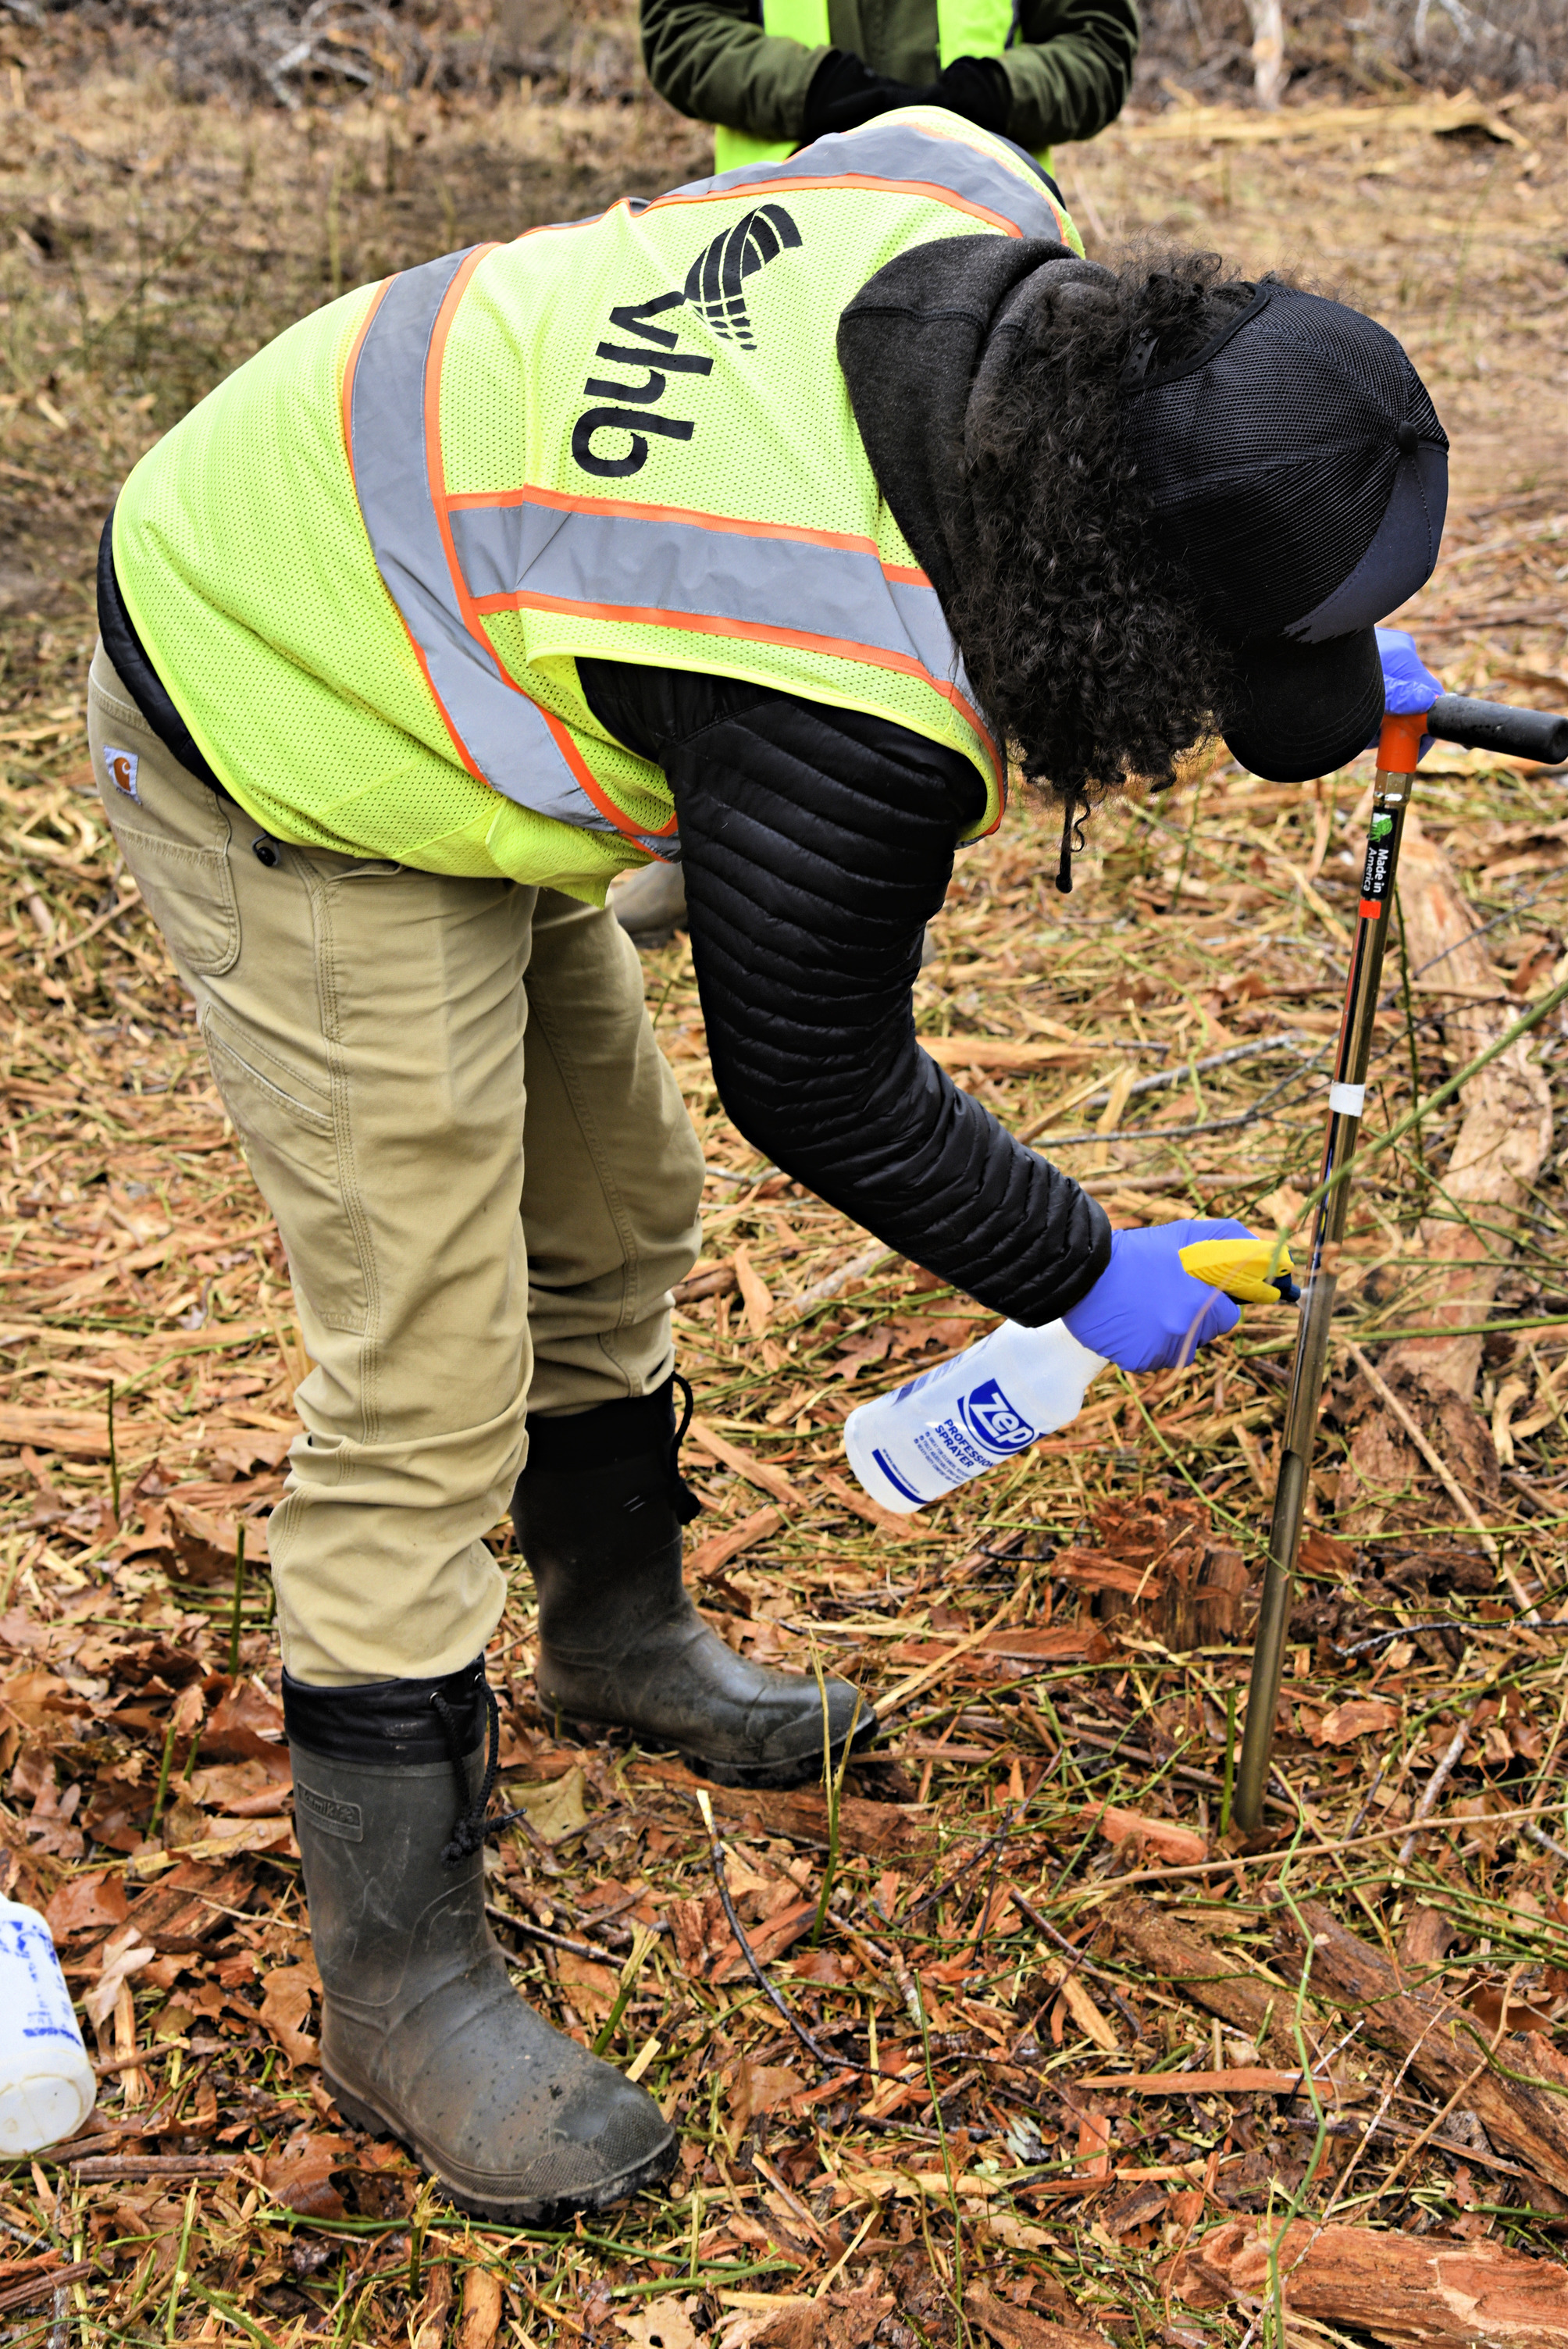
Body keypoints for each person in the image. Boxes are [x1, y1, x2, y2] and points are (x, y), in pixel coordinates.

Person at [89, 106, 1446, 2223]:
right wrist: (1085, 1272)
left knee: (612, 1210)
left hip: (469, 627)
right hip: (277, 698)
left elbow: (891, 124)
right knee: (433, 1357)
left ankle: (612, 1637)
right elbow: (819, 1078)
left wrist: (1333, 659)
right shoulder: (837, 677)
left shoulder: (981, 218)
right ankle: (402, 1992)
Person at [640, 0, 1139, 179]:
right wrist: (812, 90)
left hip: (988, 226)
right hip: (774, 234)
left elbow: (1098, 44)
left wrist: (995, 93)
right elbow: (680, 29)